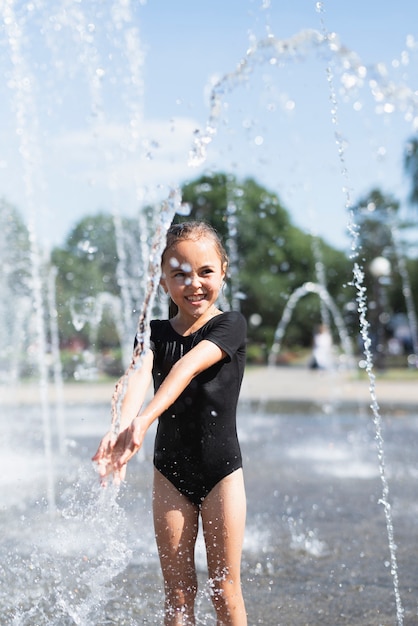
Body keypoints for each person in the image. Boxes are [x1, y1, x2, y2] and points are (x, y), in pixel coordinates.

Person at [93, 221, 248, 626]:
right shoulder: (153, 333)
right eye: (179, 274)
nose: (193, 283)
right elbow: (136, 379)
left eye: (205, 271)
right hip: (170, 474)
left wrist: (144, 420)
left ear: (223, 270)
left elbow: (184, 368)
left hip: (222, 474)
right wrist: (120, 428)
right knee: (178, 594)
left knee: (224, 586)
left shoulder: (230, 325)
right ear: (163, 282)